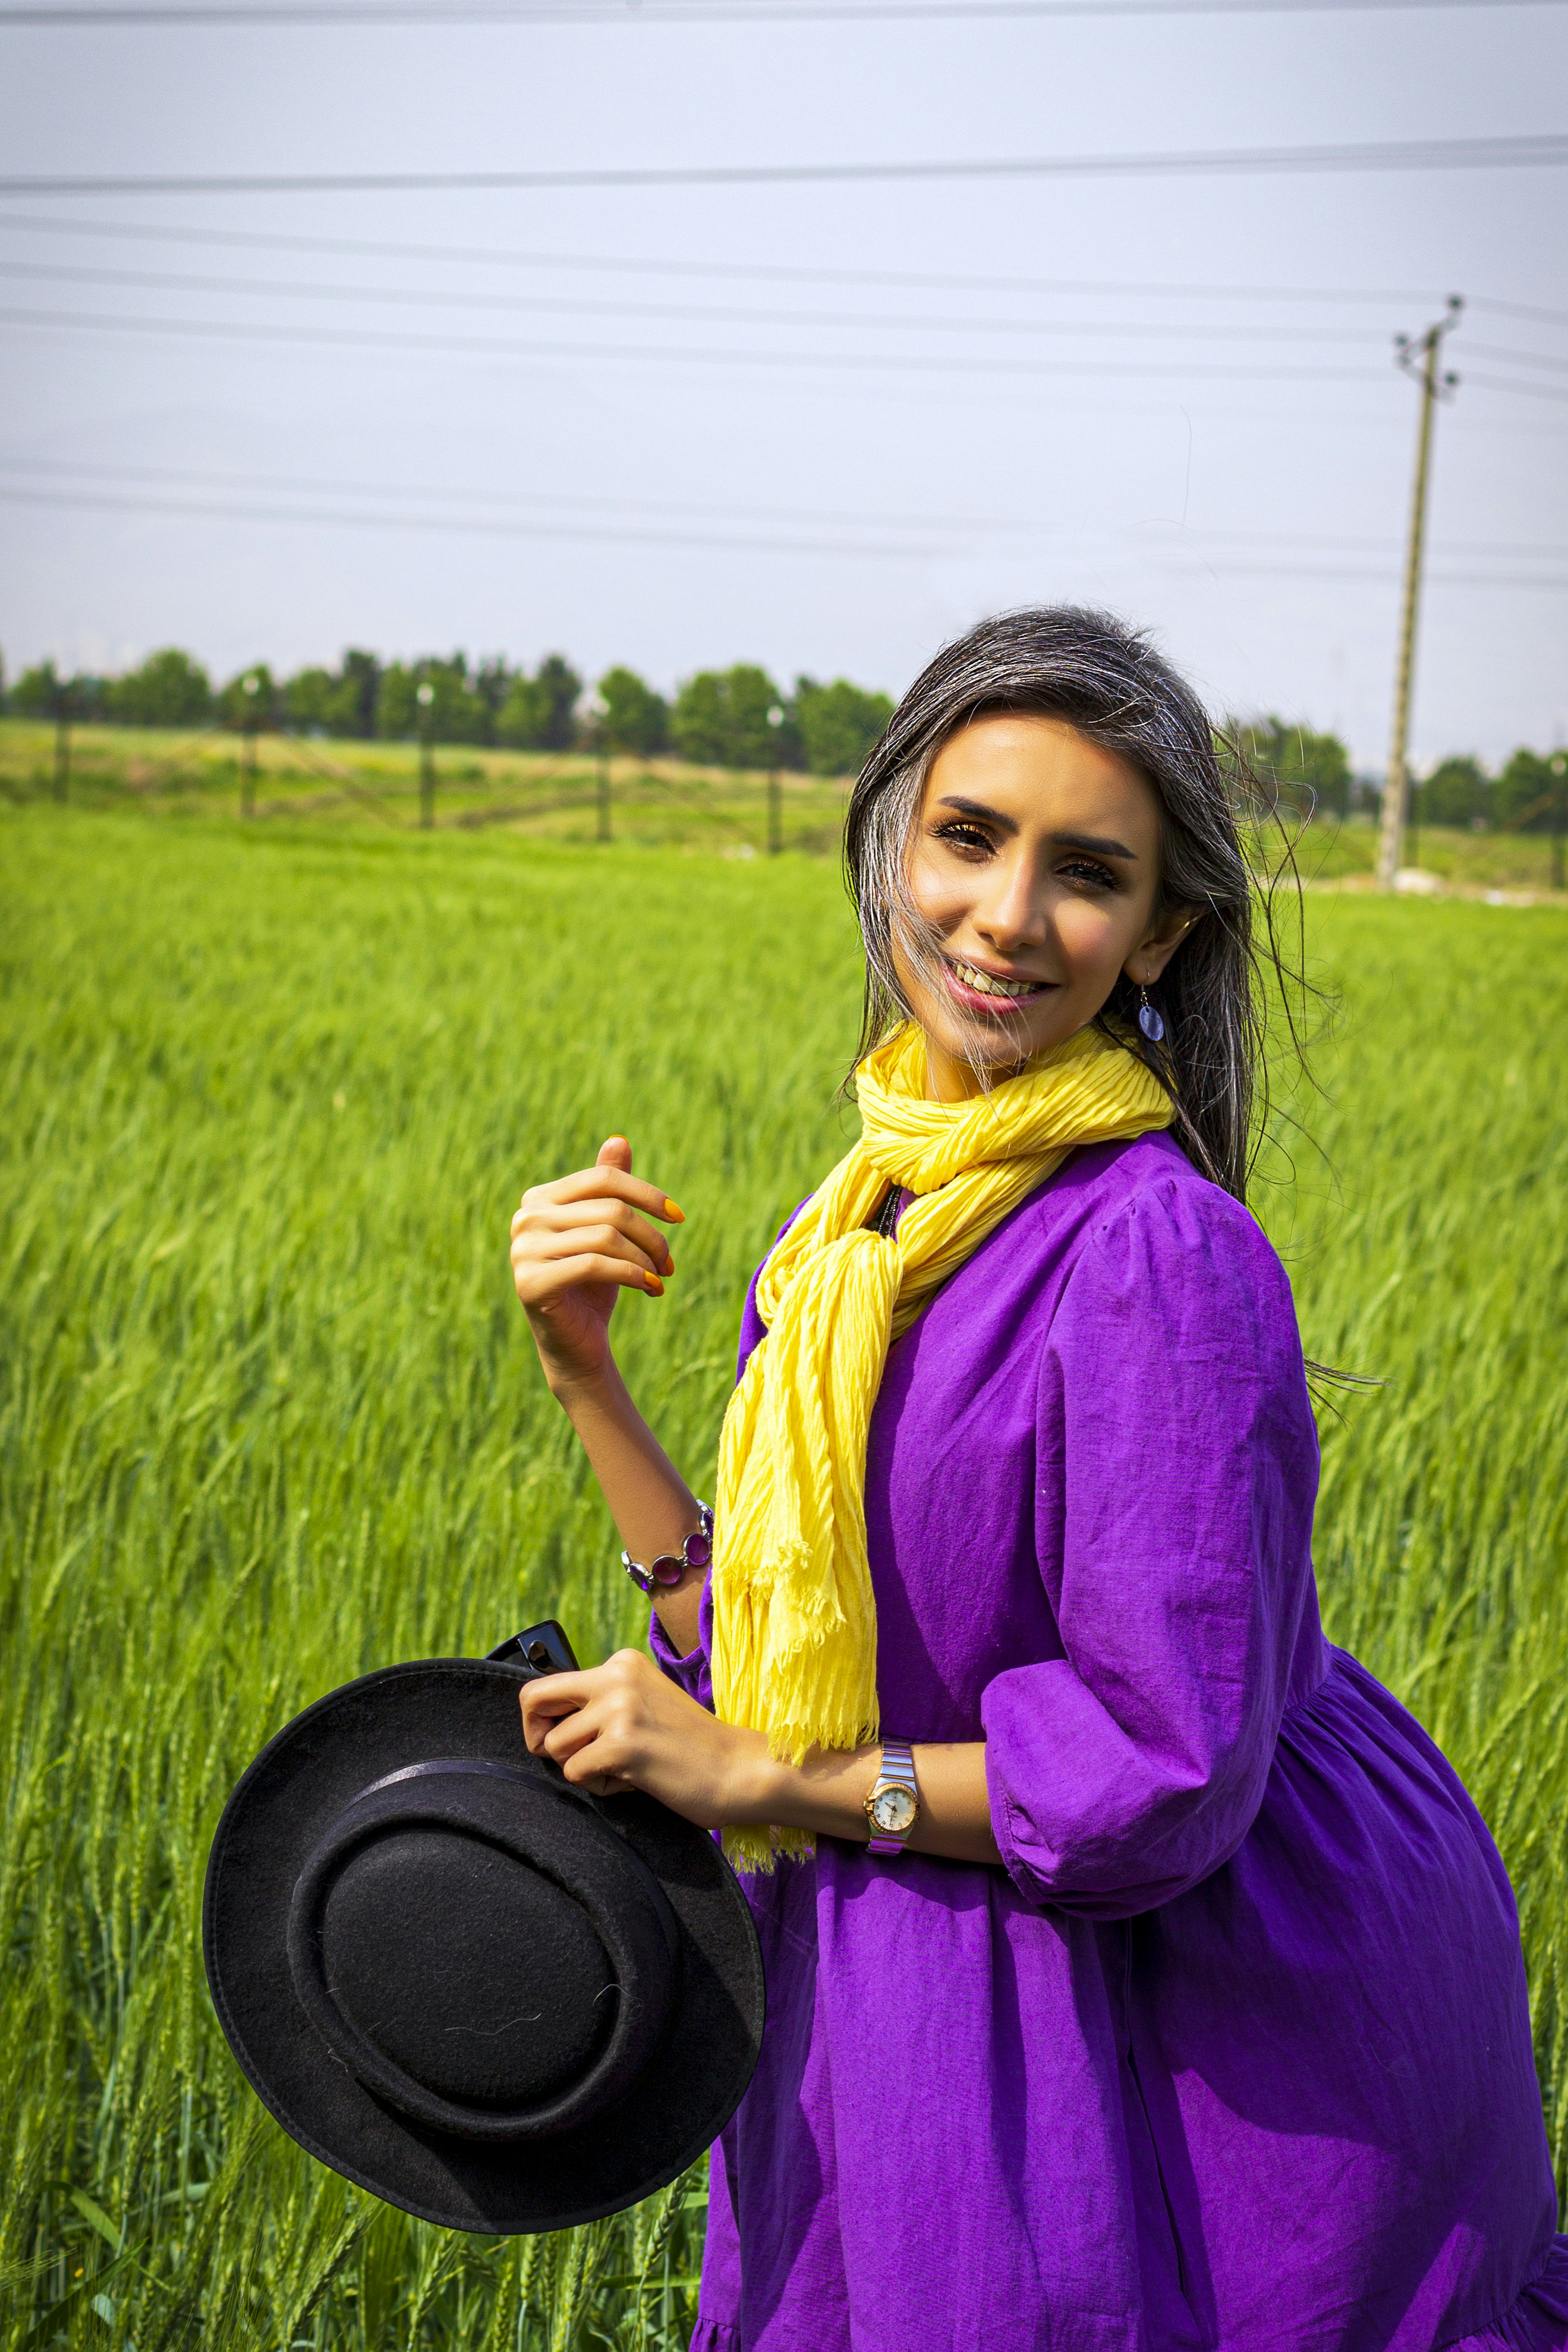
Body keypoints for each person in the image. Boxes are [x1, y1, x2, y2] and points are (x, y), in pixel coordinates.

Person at [507, 608, 1567, 2352]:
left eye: (1087, 872)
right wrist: (585, 1374)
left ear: (1161, 935)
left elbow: (1160, 1769)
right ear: (892, 845)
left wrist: (776, 1772)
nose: (1006, 918)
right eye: (970, 837)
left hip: (1184, 2005)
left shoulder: (1157, 1254)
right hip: (914, 1927)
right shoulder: (857, 1225)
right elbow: (767, 1650)